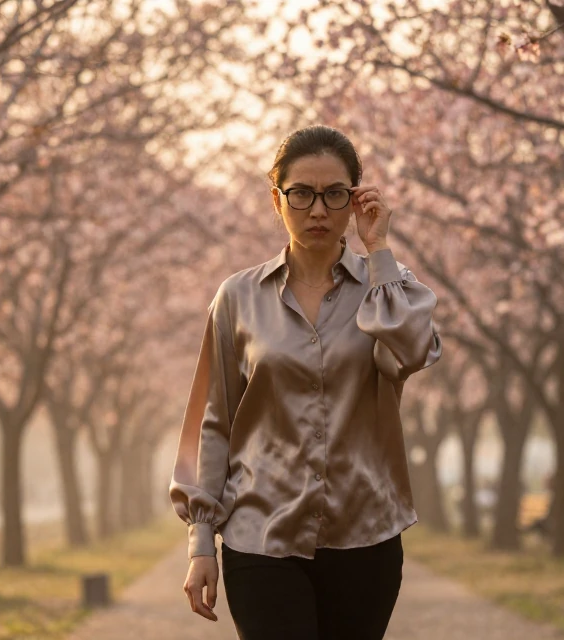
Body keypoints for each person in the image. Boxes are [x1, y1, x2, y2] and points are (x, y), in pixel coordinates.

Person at [169, 125, 443, 640]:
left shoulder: (387, 288)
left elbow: (410, 353)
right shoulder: (237, 298)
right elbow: (213, 422)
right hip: (260, 536)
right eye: (301, 194)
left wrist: (378, 249)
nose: (318, 210)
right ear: (277, 199)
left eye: (334, 194)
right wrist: (201, 541)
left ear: (356, 200)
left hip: (365, 534)